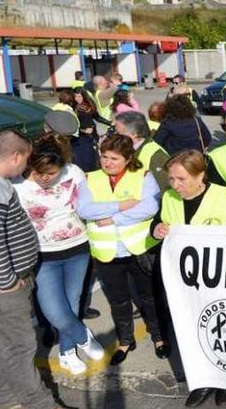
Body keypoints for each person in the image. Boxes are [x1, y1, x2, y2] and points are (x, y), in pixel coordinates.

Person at [0, 130, 62, 409]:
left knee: (1, 344)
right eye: (26, 160)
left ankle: (4, 398)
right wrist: (9, 282)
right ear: (15, 156)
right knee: (19, 348)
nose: (27, 167)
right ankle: (40, 403)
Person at [151, 150, 226, 408]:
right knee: (194, 332)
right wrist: (157, 228)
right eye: (171, 179)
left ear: (201, 175)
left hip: (220, 280)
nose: (175, 185)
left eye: (181, 179)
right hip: (186, 283)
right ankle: (203, 379)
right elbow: (156, 223)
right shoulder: (170, 198)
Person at [13, 134, 105, 375]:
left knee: (72, 301)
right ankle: (82, 336)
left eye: (51, 173)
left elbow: (87, 205)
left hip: (77, 247)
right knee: (53, 307)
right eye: (39, 172)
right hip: (42, 254)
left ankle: (67, 352)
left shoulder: (73, 172)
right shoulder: (16, 183)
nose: (45, 178)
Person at [76, 134, 169, 365]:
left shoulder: (144, 176)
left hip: (139, 250)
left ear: (128, 158)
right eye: (105, 157)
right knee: (118, 301)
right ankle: (126, 340)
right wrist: (122, 206)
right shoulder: (90, 178)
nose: (107, 163)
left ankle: (159, 336)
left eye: (114, 159)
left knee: (149, 297)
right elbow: (85, 209)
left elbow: (149, 208)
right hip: (107, 253)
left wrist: (112, 219)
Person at [114, 111, 170, 191]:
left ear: (133, 135)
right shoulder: (124, 148)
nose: (114, 136)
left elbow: (165, 187)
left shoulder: (156, 155)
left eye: (118, 133)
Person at [72, 87, 101, 171]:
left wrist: (110, 123)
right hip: (84, 136)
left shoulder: (85, 108)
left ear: (84, 96)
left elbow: (96, 118)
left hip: (87, 137)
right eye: (75, 96)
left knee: (88, 159)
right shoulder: (77, 106)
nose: (77, 99)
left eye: (79, 96)